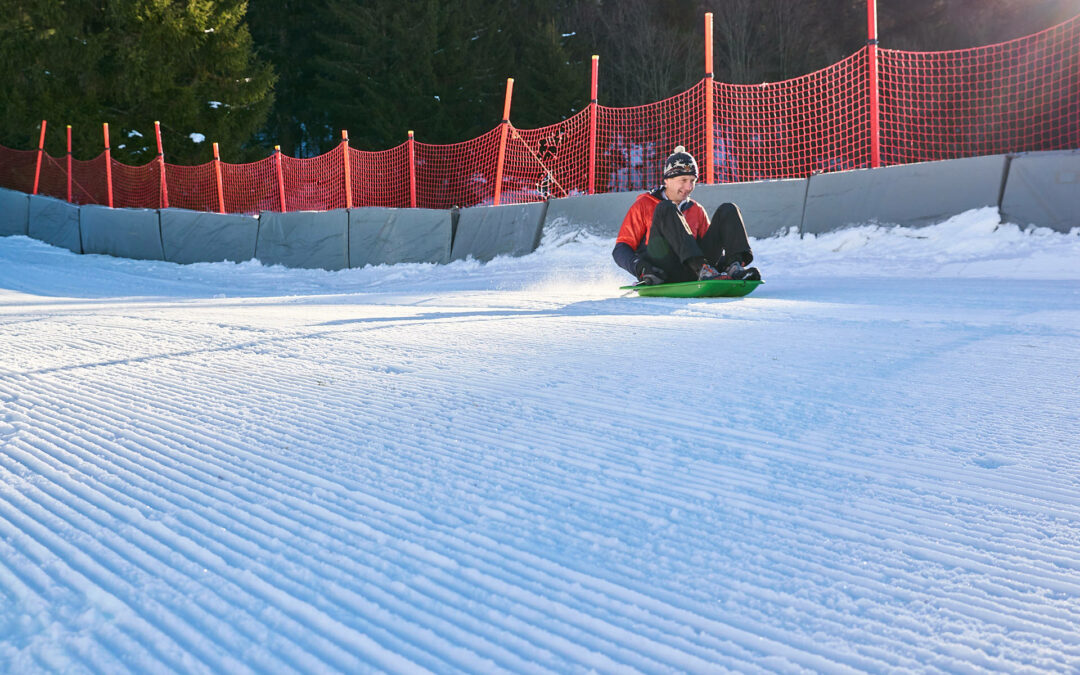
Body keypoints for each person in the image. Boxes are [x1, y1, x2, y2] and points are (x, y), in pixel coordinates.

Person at [613, 145, 761, 285]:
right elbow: (621, 248)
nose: (689, 187)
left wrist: (721, 263)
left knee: (728, 209)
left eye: (692, 181)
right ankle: (702, 268)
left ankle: (733, 267)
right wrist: (640, 267)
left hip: (696, 270)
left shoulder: (696, 209)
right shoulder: (644, 204)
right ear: (667, 180)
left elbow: (709, 249)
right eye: (683, 180)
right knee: (666, 208)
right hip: (662, 269)